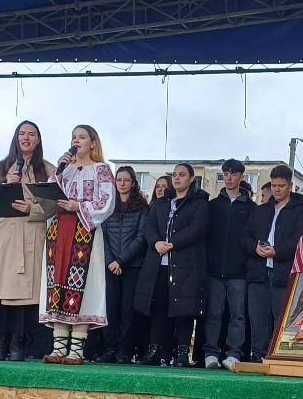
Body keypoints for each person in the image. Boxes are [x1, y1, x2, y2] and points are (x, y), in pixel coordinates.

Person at [0, 121, 56, 361]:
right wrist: (5, 185)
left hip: (29, 234)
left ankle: (19, 342)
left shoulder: (47, 169)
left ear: (38, 140)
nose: (26, 138)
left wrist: (33, 208)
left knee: (23, 295)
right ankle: (0, 341)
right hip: (3, 235)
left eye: (31, 134)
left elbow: (54, 205)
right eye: (22, 133)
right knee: (1, 293)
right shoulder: (2, 166)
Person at [39, 125, 116, 365]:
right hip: (59, 230)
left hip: (84, 230)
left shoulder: (101, 169)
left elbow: (107, 202)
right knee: (57, 283)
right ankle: (58, 347)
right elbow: (48, 195)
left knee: (84, 285)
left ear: (93, 143)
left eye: (81, 137)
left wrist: (78, 206)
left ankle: (77, 350)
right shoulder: (65, 169)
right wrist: (59, 170)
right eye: (73, 137)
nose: (76, 140)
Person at [135, 163, 209, 367]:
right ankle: (155, 351)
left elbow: (198, 228)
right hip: (159, 263)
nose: (177, 178)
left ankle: (182, 353)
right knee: (158, 306)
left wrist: (173, 243)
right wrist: (156, 242)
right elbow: (149, 226)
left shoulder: (199, 203)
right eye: (175, 174)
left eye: (182, 175)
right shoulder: (162, 203)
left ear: (192, 179)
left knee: (184, 308)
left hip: (186, 265)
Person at [242, 165, 303, 361]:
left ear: (290, 185)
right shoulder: (261, 211)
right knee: (257, 317)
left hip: (284, 274)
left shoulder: (301, 211)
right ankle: (258, 355)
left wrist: (278, 251)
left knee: (282, 318)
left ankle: (280, 358)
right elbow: (245, 237)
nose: (277, 189)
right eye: (274, 185)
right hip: (258, 273)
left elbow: (302, 240)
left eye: (281, 185)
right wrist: (255, 247)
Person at [89, 166, 148, 364]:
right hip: (110, 265)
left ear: (133, 183)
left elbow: (141, 237)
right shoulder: (108, 206)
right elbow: (102, 236)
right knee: (110, 308)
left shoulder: (141, 208)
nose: (122, 183)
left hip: (132, 265)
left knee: (127, 310)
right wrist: (110, 261)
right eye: (119, 179)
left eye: (126, 180)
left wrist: (122, 260)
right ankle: (110, 349)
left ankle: (124, 351)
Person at [201, 159, 254, 370]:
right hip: (213, 270)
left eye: (234, 174)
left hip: (239, 272)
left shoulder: (251, 208)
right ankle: (210, 353)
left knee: (238, 315)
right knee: (213, 314)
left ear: (241, 176)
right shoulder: (212, 206)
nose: (229, 178)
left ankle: (234, 354)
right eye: (226, 174)